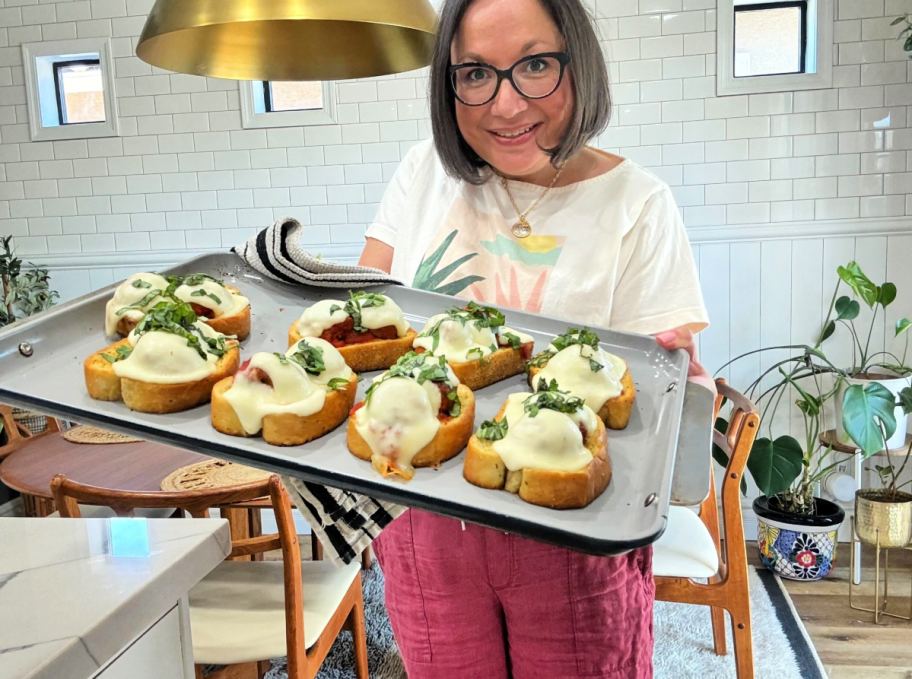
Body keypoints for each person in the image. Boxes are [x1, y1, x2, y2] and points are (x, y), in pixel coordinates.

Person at [358, 0, 711, 676]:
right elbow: (373, 320)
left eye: (536, 65)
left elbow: (657, 407)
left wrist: (687, 385)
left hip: (572, 534)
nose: (506, 103)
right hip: (425, 520)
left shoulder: (638, 204)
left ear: (578, 62)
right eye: (475, 74)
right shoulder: (420, 172)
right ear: (448, 83)